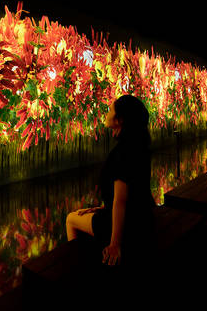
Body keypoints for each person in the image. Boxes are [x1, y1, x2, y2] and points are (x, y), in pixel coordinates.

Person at [65, 95, 155, 267]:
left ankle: (75, 267)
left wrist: (115, 244)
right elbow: (137, 191)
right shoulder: (140, 146)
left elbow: (120, 201)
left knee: (71, 219)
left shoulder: (121, 153)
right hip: (143, 219)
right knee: (86, 215)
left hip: (128, 226)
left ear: (120, 120)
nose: (107, 113)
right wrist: (103, 207)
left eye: (110, 110)